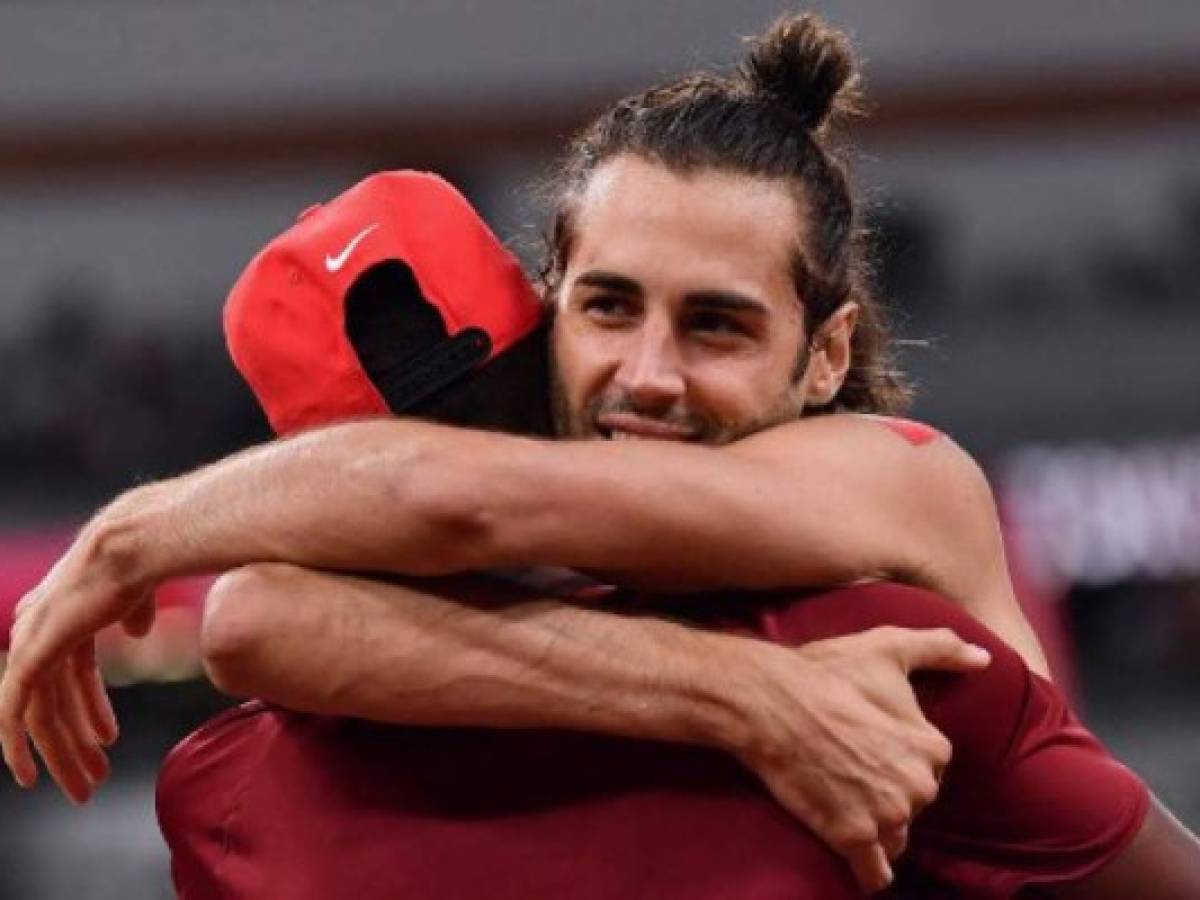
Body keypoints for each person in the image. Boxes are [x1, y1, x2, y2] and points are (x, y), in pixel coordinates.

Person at [3, 13, 1197, 896]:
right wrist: (748, 697)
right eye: (610, 309)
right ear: (548, 309)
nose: (650, 376)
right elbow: (262, 616)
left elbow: (442, 511)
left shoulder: (901, 495)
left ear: (828, 356)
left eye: (717, 323)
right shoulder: (289, 733)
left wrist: (129, 535)